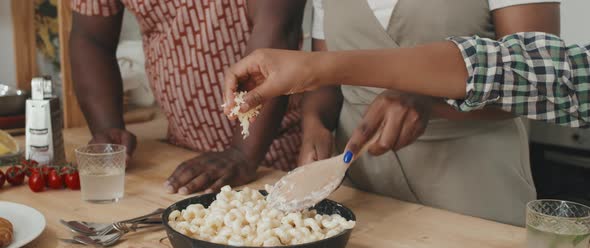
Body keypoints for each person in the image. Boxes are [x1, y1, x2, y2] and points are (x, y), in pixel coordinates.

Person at [227, 0, 562, 227]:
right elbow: (326, 81)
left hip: (472, 185)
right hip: (362, 185)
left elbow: (539, 79)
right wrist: (316, 126)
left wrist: (431, 102)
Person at [69, 0, 306, 195]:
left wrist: (242, 153)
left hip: (269, 157)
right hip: (181, 155)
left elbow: (278, 28)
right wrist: (108, 127)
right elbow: (91, 38)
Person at [224, 32, 590, 129]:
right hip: (369, 185)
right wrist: (316, 74)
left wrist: (317, 67)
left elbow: (540, 76)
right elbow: (509, 65)